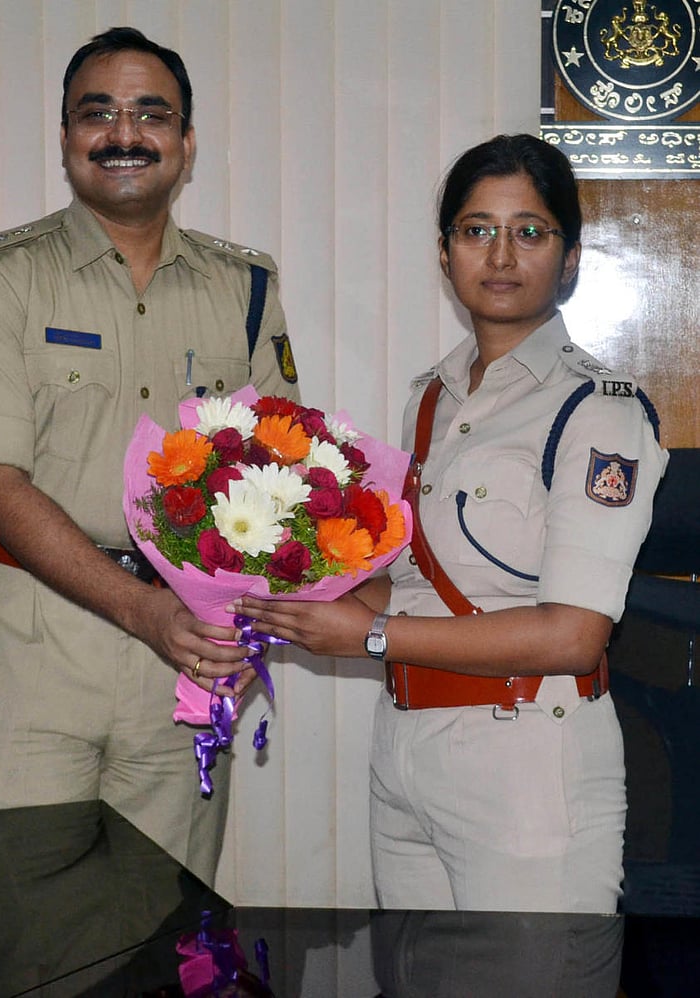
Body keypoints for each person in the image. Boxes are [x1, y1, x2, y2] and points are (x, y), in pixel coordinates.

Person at [234, 134, 667, 912]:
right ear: (445, 254)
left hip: (527, 755)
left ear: (569, 259)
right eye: (477, 230)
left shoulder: (598, 409)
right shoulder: (430, 398)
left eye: (530, 232)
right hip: (405, 749)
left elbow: (574, 636)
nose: (501, 255)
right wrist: (275, 591)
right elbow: (410, 589)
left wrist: (366, 637)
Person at [0, 26, 301, 883]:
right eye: (97, 114)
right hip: (26, 657)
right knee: (17, 935)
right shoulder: (0, 281)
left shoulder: (244, 289)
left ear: (187, 141)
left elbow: (277, 479)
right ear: (66, 138)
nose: (125, 135)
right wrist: (143, 616)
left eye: (151, 114)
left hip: (181, 661)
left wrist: (238, 629)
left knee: (163, 938)